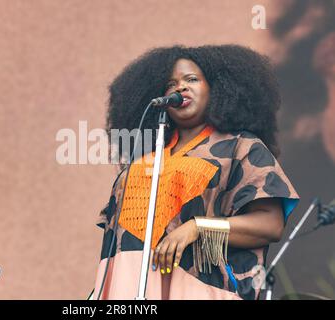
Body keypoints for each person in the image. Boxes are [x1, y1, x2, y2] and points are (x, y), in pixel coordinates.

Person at [92, 45, 299, 300]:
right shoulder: (143, 161)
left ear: (217, 90)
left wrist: (198, 228)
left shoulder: (241, 146)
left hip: (199, 288)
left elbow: (270, 225)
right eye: (170, 84)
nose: (180, 88)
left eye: (192, 79)